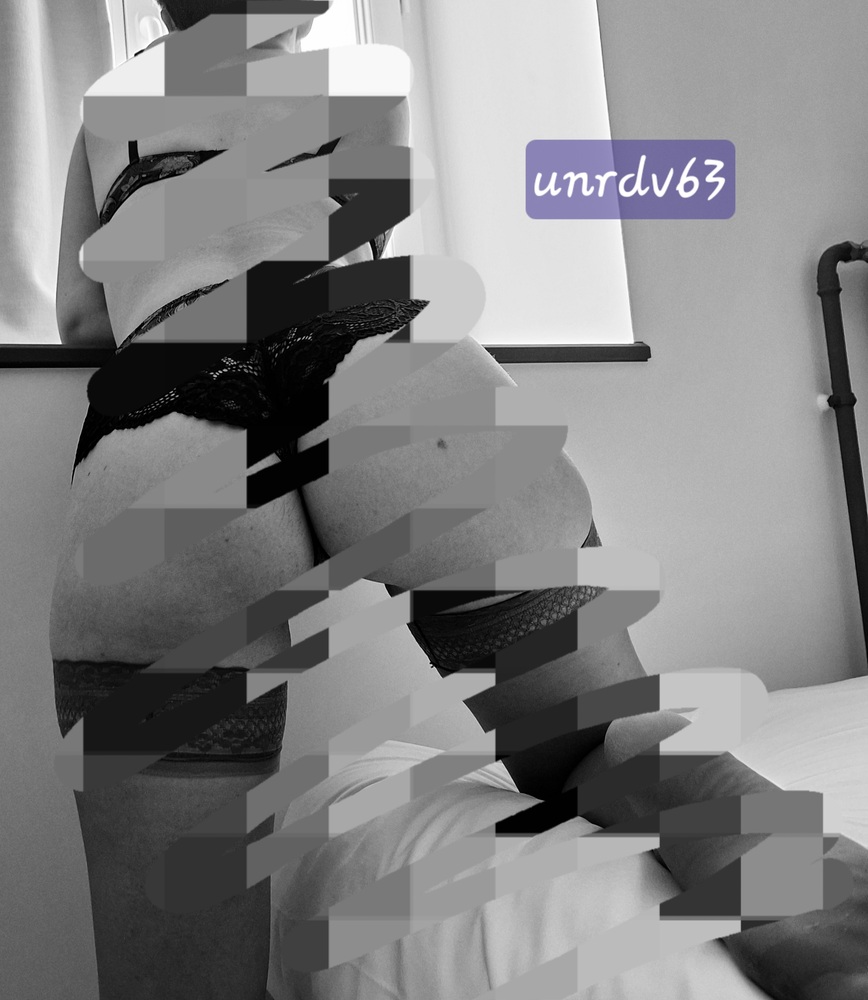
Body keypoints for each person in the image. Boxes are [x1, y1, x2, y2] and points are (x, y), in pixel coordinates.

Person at [49, 3, 866, 998]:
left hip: (166, 419)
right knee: (611, 746)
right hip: (363, 358)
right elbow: (370, 230)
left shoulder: (108, 101)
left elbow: (81, 314)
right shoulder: (363, 76)